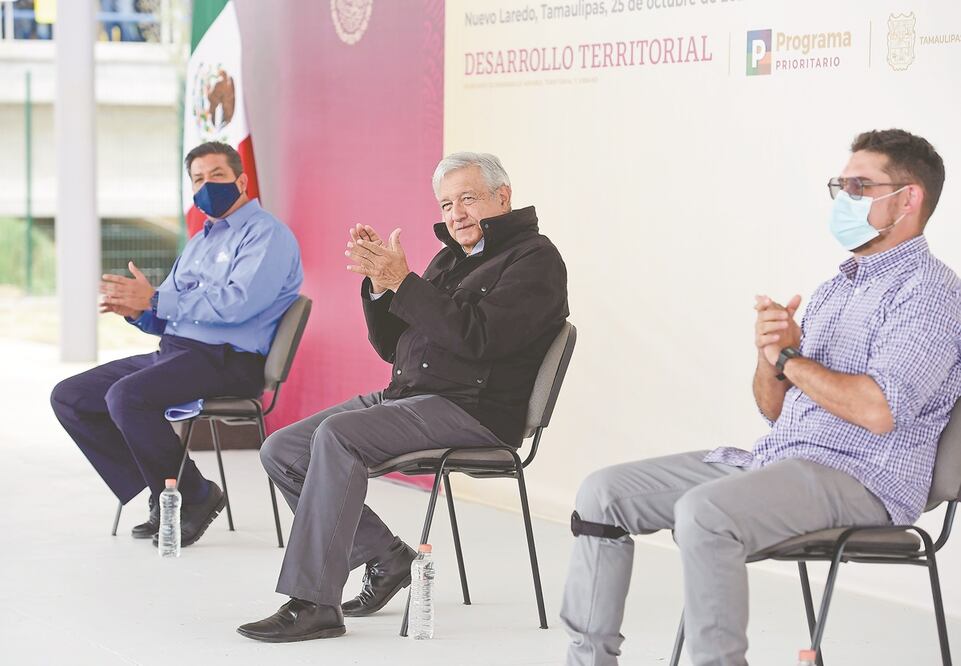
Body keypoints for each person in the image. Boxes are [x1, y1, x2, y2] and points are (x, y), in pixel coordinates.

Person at [561, 129, 961, 666]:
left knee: (704, 512)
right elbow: (775, 410)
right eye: (839, 187)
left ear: (908, 198)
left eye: (860, 187)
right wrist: (770, 354)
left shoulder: (931, 293)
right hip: (779, 462)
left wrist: (793, 361)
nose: (845, 200)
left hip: (864, 478)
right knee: (601, 494)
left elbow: (878, 409)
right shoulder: (836, 287)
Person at [237, 152, 569, 642]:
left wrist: (405, 283)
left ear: (504, 196)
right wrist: (380, 286)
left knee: (338, 436)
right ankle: (387, 558)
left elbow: (480, 339)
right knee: (283, 450)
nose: (455, 213)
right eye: (446, 203)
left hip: (472, 411)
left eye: (468, 199)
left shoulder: (536, 261)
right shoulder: (450, 258)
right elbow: (393, 345)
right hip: (411, 397)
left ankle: (313, 602)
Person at [50, 141, 303, 548]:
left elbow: (239, 304)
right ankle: (165, 491)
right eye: (198, 179)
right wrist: (137, 310)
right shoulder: (200, 241)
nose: (207, 186)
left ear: (241, 180)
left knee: (127, 397)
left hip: (231, 361)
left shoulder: (266, 234)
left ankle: (194, 496)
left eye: (216, 176)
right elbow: (168, 314)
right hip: (178, 353)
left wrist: (155, 299)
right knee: (71, 396)